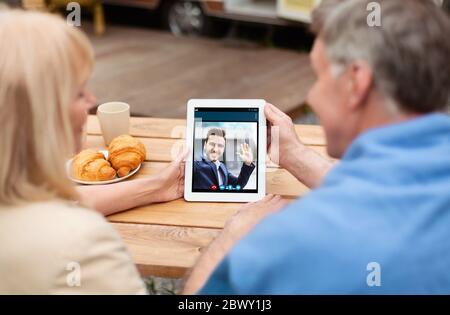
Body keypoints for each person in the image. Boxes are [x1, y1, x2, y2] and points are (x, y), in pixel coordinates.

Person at [184, 0, 450, 294]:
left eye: (318, 75)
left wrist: (232, 238)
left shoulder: (286, 245)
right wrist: (294, 155)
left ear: (356, 83)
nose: (311, 97)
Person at [0, 10, 186, 293]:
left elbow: (66, 202)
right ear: (39, 114)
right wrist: (225, 248)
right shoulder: (79, 243)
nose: (92, 100)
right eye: (78, 92)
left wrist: (156, 187)